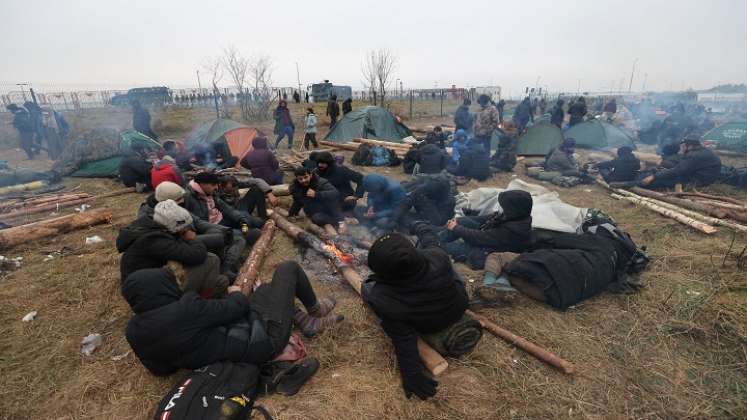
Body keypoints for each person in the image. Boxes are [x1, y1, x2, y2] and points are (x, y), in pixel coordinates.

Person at [123, 260, 343, 376]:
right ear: (164, 287)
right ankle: (314, 311)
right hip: (266, 341)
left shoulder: (133, 330)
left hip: (243, 334)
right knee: (288, 268)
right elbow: (237, 307)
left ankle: (305, 322)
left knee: (268, 289)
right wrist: (236, 292)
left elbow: (161, 371)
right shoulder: (186, 308)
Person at [362, 229, 468, 400]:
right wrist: (424, 229)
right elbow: (432, 242)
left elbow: (403, 338)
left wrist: (411, 374)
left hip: (429, 325)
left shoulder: (383, 296)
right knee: (452, 271)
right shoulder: (438, 257)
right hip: (457, 305)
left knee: (366, 288)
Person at [118, 199, 227, 297]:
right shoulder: (155, 240)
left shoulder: (150, 226)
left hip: (147, 282)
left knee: (221, 280)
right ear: (172, 226)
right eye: (183, 228)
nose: (186, 229)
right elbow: (197, 255)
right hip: (146, 292)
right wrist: (193, 239)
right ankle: (198, 301)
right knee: (211, 259)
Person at [440, 190, 533, 269]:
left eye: (504, 207)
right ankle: (437, 238)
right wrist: (459, 221)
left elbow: (480, 237)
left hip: (487, 252)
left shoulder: (513, 230)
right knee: (462, 221)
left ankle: (437, 243)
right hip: (486, 240)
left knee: (448, 246)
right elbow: (487, 218)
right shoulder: (516, 216)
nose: (502, 209)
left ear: (513, 209)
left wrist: (456, 228)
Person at [640, 137, 721, 189]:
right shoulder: (703, 151)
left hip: (698, 181)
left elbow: (678, 170)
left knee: (657, 181)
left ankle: (632, 184)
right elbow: (683, 165)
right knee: (667, 169)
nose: (681, 149)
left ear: (690, 146)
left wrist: (654, 176)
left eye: (683, 146)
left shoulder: (694, 155)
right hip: (705, 177)